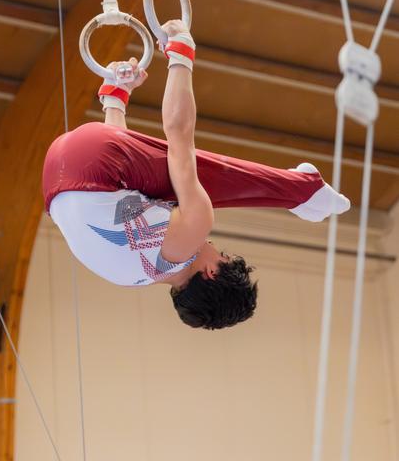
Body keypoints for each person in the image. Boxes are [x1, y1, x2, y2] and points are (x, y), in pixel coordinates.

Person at [42, 20, 350, 330]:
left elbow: (179, 133)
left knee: (199, 174)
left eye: (223, 255)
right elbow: (108, 193)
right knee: (159, 194)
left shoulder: (188, 238)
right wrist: (117, 97)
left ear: (212, 272)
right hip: (57, 178)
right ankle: (113, 95)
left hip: (94, 162)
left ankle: (301, 190)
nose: (215, 246)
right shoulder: (131, 277)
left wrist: (181, 55)